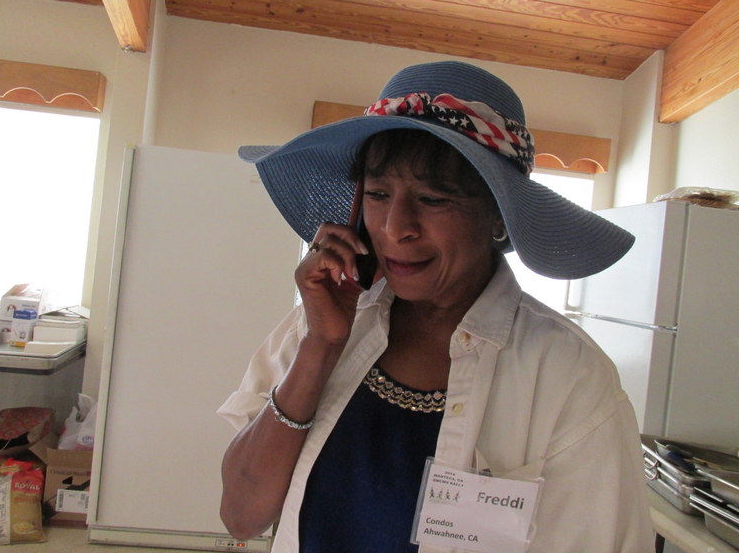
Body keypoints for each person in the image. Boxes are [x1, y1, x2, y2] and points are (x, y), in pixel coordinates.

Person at [218, 61, 655, 552]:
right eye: (378, 194)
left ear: (497, 216)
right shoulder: (318, 325)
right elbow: (241, 517)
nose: (395, 228)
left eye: (432, 198)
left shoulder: (566, 375)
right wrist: (321, 347)